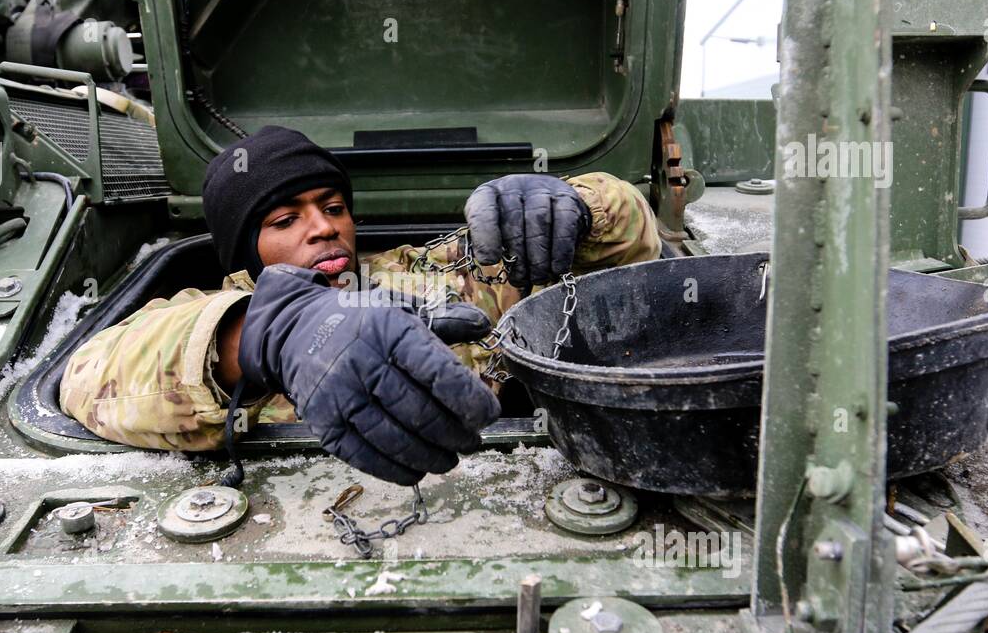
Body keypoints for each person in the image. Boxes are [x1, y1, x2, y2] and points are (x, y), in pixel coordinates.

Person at [60, 126, 660, 484]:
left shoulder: (424, 274)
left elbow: (633, 253)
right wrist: (268, 336)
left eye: (333, 207)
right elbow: (87, 376)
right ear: (245, 248)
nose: (322, 228)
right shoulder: (210, 311)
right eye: (285, 219)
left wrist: (576, 208)